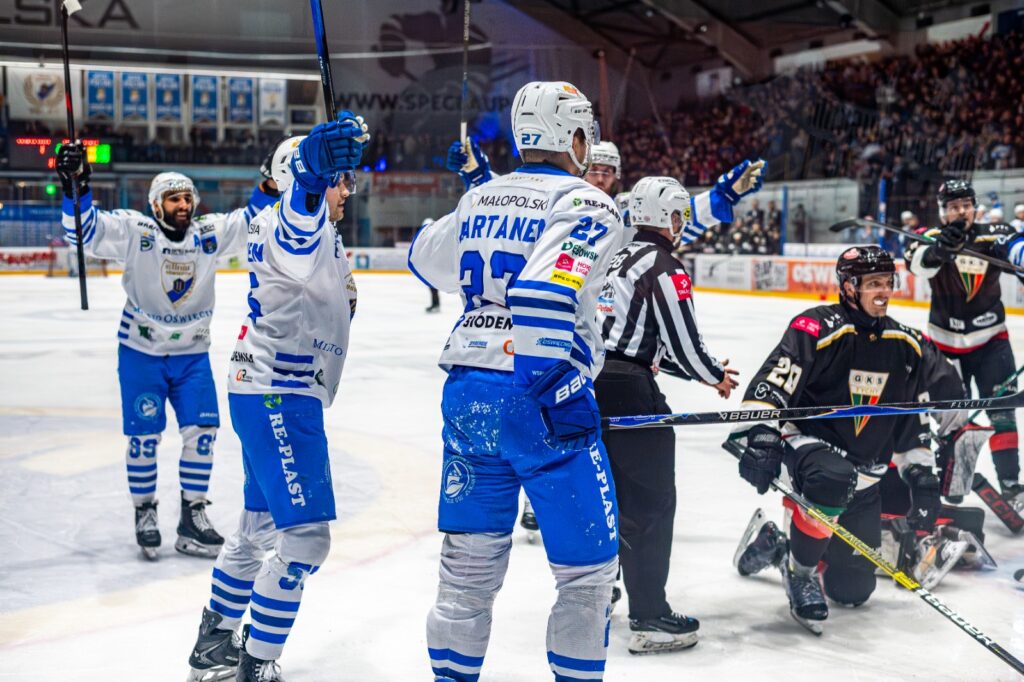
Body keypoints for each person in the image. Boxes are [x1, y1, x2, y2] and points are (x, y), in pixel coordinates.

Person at [410, 80, 622, 681]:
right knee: (587, 579)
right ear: (575, 136)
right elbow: (543, 291)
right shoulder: (587, 201)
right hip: (537, 395)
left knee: (466, 578)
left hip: (469, 394)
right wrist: (557, 384)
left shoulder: (482, 195)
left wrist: (479, 208)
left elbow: (426, 257)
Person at [185, 114, 369, 682]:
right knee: (307, 539)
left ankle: (212, 645)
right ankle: (255, 661)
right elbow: (295, 233)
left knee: (258, 529)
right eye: (341, 179)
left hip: (268, 391)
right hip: (279, 395)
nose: (348, 190)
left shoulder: (320, 232)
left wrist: (316, 180)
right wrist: (312, 177)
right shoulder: (293, 224)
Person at [57, 146, 259, 561]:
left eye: (187, 198)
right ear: (155, 205)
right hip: (141, 354)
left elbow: (254, 220)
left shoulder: (208, 232)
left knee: (202, 436)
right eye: (173, 198)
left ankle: (193, 516)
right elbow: (82, 231)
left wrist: (272, 181)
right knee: (144, 440)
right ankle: (145, 511)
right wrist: (76, 186)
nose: (183, 205)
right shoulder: (136, 231)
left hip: (192, 357)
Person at [596, 166, 762, 654]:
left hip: (590, 387)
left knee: (610, 501)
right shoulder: (663, 267)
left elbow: (642, 342)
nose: (681, 224)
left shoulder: (616, 259)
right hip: (631, 393)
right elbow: (682, 342)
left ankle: (595, 595)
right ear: (666, 216)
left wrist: (700, 371)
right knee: (649, 505)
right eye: (678, 216)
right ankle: (649, 616)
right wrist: (713, 374)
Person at [729, 246, 932, 632]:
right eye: (874, 283)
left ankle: (777, 542)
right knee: (832, 478)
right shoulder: (817, 327)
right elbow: (775, 382)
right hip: (810, 451)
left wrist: (921, 470)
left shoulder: (904, 344)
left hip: (865, 479)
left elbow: (910, 418)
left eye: (888, 282)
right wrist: (762, 434)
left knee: (852, 590)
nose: (884, 291)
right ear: (849, 286)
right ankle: (801, 571)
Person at [906, 179, 1023, 502]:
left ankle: (1012, 485)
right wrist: (939, 251)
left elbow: (1015, 246)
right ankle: (950, 482)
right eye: (954, 207)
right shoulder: (931, 236)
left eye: (966, 205)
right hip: (944, 350)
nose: (961, 211)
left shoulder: (992, 233)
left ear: (975, 207)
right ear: (943, 213)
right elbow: (915, 262)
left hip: (991, 343)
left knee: (1002, 413)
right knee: (950, 419)